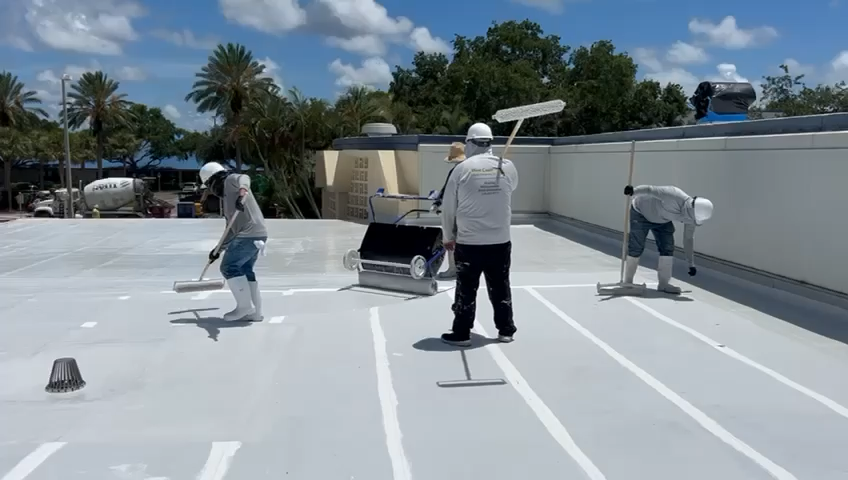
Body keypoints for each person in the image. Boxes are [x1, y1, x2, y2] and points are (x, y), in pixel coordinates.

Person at [439, 123, 519, 346]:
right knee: (501, 286)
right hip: (500, 241)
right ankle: (506, 330)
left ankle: (462, 333)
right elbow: (511, 188)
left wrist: (447, 237)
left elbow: (448, 208)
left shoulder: (461, 169)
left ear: (470, 143)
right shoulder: (507, 166)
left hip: (470, 242)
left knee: (466, 288)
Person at [199, 161, 268, 321]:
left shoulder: (229, 180)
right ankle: (255, 313)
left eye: (209, 186)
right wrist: (218, 250)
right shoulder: (226, 200)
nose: (211, 190)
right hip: (257, 234)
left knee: (229, 267)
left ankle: (244, 307)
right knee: (245, 269)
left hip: (248, 234)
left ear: (213, 180)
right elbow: (230, 230)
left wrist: (243, 191)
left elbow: (244, 178)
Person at [622, 184, 714, 294]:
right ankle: (628, 281)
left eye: (692, 219)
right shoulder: (673, 194)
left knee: (668, 247)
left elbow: (688, 239)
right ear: (690, 208)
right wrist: (634, 191)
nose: (688, 220)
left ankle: (664, 284)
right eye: (690, 217)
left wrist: (691, 263)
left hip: (663, 221)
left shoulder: (691, 219)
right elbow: (649, 190)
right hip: (641, 213)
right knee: (636, 246)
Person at [431, 142, 466, 279]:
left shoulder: (457, 171)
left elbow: (446, 191)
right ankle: (460, 268)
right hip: (468, 211)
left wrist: (438, 203)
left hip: (457, 210)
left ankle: (453, 269)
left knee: (450, 239)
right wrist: (437, 201)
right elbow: (446, 189)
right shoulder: (469, 169)